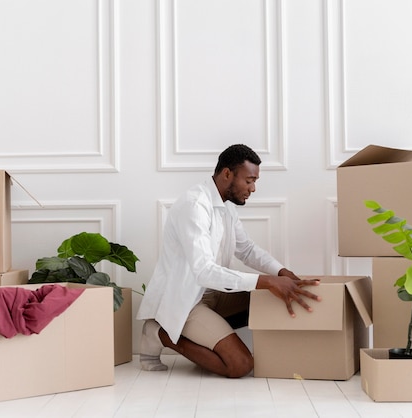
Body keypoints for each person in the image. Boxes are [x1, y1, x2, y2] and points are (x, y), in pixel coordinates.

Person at [136, 144, 321, 378]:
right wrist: (268, 281)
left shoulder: (225, 208)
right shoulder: (195, 206)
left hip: (212, 294)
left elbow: (247, 250)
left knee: (268, 299)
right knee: (240, 365)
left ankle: (205, 338)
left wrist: (282, 272)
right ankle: (159, 333)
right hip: (187, 301)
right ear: (227, 174)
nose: (253, 188)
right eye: (249, 180)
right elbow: (203, 271)